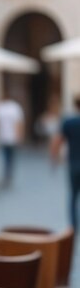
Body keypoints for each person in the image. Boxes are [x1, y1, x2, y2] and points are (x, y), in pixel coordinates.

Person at [50, 94, 80, 230]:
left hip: (74, 163)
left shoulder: (69, 122)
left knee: (73, 195)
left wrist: (54, 159)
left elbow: (57, 141)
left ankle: (73, 225)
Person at [0, 94, 25, 186]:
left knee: (7, 157)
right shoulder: (12, 107)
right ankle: (8, 175)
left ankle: (7, 176)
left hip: (7, 137)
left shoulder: (4, 108)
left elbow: (19, 123)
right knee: (8, 157)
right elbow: (19, 123)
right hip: (7, 137)